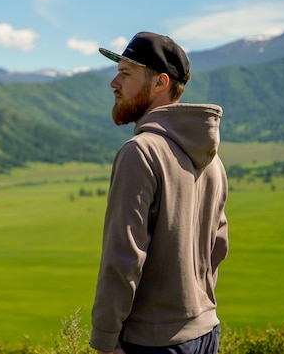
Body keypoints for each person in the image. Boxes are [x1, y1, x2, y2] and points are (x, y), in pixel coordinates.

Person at [89, 32, 229, 354]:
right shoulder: (211, 158)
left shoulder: (140, 152)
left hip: (151, 342)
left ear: (159, 83)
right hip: (205, 331)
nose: (114, 82)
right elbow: (218, 246)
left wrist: (105, 340)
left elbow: (123, 257)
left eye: (126, 73)